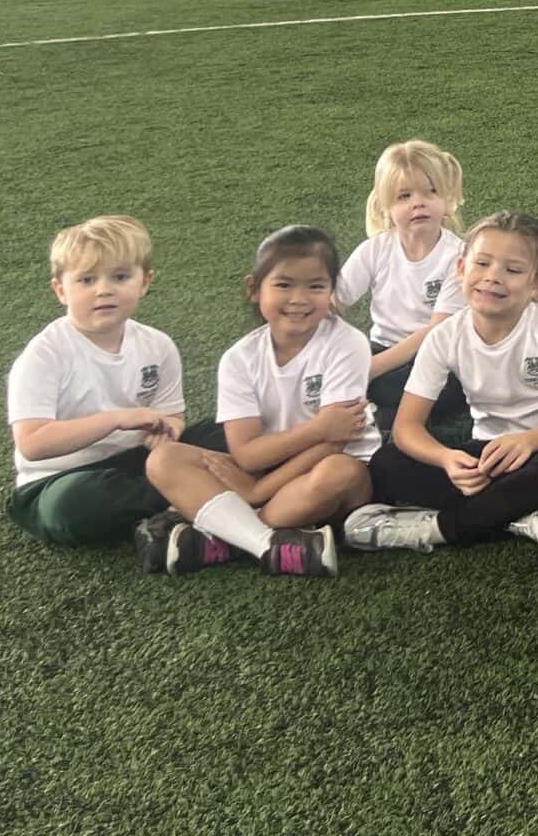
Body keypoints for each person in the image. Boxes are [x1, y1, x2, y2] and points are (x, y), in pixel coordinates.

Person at [346, 212, 538, 553]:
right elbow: (407, 427)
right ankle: (524, 520)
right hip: (488, 454)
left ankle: (439, 529)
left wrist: (528, 441)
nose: (493, 277)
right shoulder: (444, 336)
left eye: (512, 270)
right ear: (461, 269)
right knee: (387, 465)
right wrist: (447, 460)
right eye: (482, 263)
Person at [141, 225, 375, 577]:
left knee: (337, 473)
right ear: (254, 289)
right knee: (163, 459)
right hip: (262, 471)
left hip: (330, 468)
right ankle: (267, 544)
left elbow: (336, 442)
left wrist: (258, 490)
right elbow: (247, 454)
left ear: (332, 291)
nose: (299, 298)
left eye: (316, 286)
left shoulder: (347, 344)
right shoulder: (239, 358)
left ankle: (220, 535)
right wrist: (265, 479)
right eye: (283, 285)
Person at [6, 215, 186, 551]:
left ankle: (176, 506)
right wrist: (116, 419)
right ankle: (194, 498)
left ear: (145, 281)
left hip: (139, 463)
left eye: (120, 277)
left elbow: (173, 415)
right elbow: (32, 443)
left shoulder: (158, 345)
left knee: (222, 436)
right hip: (60, 479)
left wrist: (168, 432)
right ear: (61, 289)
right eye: (87, 280)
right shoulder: (43, 356)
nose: (104, 289)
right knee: (72, 509)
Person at [336, 139, 466, 421]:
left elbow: (436, 330)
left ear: (447, 199)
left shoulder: (458, 256)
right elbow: (334, 300)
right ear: (385, 206)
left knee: (446, 387)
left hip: (434, 355)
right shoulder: (376, 249)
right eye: (404, 196)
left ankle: (386, 414)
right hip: (382, 348)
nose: (418, 202)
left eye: (431, 192)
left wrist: (369, 370)